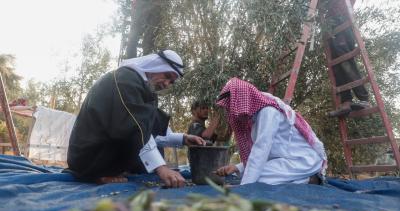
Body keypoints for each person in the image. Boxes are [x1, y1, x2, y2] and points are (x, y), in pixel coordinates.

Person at [66, 50, 205, 187]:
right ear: (157, 66)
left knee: (149, 150)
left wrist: (182, 138)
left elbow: (148, 130)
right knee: (145, 151)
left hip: (105, 150)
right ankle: (97, 174)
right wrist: (161, 168)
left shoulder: (144, 89)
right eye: (167, 76)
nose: (167, 84)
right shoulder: (125, 80)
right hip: (89, 157)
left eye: (172, 82)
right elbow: (135, 128)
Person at [215, 78, 327, 185]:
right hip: (285, 160)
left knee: (258, 178)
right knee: (252, 174)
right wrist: (237, 168)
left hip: (303, 161)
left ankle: (309, 179)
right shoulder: (254, 120)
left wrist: (244, 189)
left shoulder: (268, 112)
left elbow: (261, 151)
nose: (232, 110)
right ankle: (303, 179)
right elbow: (264, 156)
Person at [326, 0, 370, 117]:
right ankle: (346, 102)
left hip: (342, 24)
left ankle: (363, 99)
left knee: (345, 62)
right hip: (331, 28)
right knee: (336, 66)